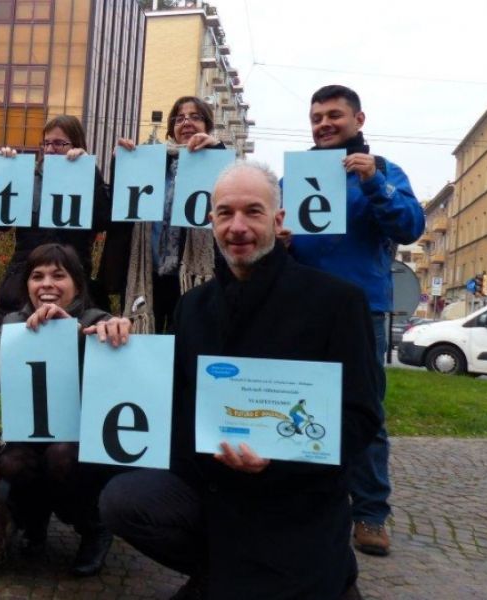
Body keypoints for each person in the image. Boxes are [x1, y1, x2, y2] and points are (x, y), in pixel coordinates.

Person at [99, 161, 381, 599]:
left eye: (253, 211)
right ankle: (222, 568)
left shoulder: (337, 302)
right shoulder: (192, 307)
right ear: (210, 221)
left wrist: (279, 459)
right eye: (225, 213)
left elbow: (361, 417)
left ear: (279, 220)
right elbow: (178, 403)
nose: (237, 227)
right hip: (216, 487)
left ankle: (300, 568)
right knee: (123, 499)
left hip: (296, 496)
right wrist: (112, 337)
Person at [288, 84, 424, 557]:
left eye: (333, 116)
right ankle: (306, 504)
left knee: (364, 412)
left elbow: (410, 226)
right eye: (316, 117)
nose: (323, 124)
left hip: (361, 310)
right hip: (300, 307)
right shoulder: (298, 175)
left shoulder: (383, 171)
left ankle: (370, 513)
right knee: (299, 405)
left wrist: (374, 183)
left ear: (358, 120)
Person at [0, 243, 130, 576]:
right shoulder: (15, 324)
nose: (47, 284)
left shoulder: (97, 322)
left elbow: (128, 379)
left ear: (78, 284)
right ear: (26, 285)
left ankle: (94, 527)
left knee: (60, 456)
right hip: (28, 440)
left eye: (59, 275)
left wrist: (94, 335)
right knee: (13, 461)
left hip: (85, 446)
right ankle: (33, 522)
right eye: (37, 276)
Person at [100, 96, 226, 333]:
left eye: (195, 117)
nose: (186, 122)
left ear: (208, 126)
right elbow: (123, 208)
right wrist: (122, 162)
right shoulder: (152, 162)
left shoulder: (219, 163)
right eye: (179, 118)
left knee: (188, 340)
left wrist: (215, 150)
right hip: (149, 272)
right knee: (148, 342)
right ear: (171, 129)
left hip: (190, 275)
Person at [0, 115, 112, 329]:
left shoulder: (87, 178)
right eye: (46, 143)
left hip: (72, 285)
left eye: (59, 143)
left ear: (77, 144)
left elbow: (104, 219)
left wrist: (89, 171)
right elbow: (0, 224)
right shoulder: (29, 178)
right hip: (22, 284)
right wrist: (5, 169)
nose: (50, 149)